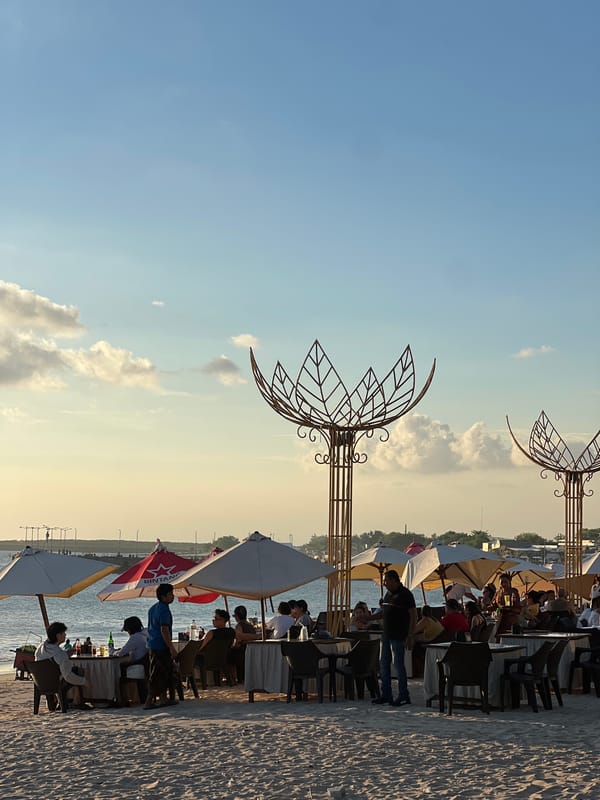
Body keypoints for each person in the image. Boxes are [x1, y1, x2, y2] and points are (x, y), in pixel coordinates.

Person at [370, 569, 416, 707]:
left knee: (398, 666)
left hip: (399, 635)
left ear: (395, 580)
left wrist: (410, 634)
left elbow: (414, 616)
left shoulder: (406, 594)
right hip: (386, 635)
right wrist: (368, 618)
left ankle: (403, 695)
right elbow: (383, 613)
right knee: (383, 665)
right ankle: (386, 695)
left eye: (387, 581)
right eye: (384, 581)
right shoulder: (388, 594)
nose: (384, 584)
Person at [35, 621, 88, 709]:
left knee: (59, 672)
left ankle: (54, 700)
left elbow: (51, 657)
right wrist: (85, 681)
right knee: (77, 670)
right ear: (58, 635)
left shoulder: (40, 648)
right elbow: (68, 677)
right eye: (63, 633)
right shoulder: (60, 654)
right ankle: (77, 701)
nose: (65, 635)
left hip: (41, 681)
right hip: (55, 683)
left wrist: (66, 654)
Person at [144, 583, 178, 709]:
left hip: (152, 643)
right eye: (170, 594)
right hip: (160, 645)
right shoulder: (164, 609)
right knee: (158, 673)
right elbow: (164, 629)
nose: (172, 596)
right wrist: (171, 647)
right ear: (163, 596)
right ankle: (149, 701)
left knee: (163, 672)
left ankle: (163, 698)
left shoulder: (153, 608)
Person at [230, 606, 259, 683]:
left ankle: (235, 678)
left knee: (229, 654)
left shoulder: (239, 625)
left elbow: (239, 639)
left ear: (237, 616)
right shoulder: (250, 625)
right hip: (251, 650)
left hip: (243, 650)